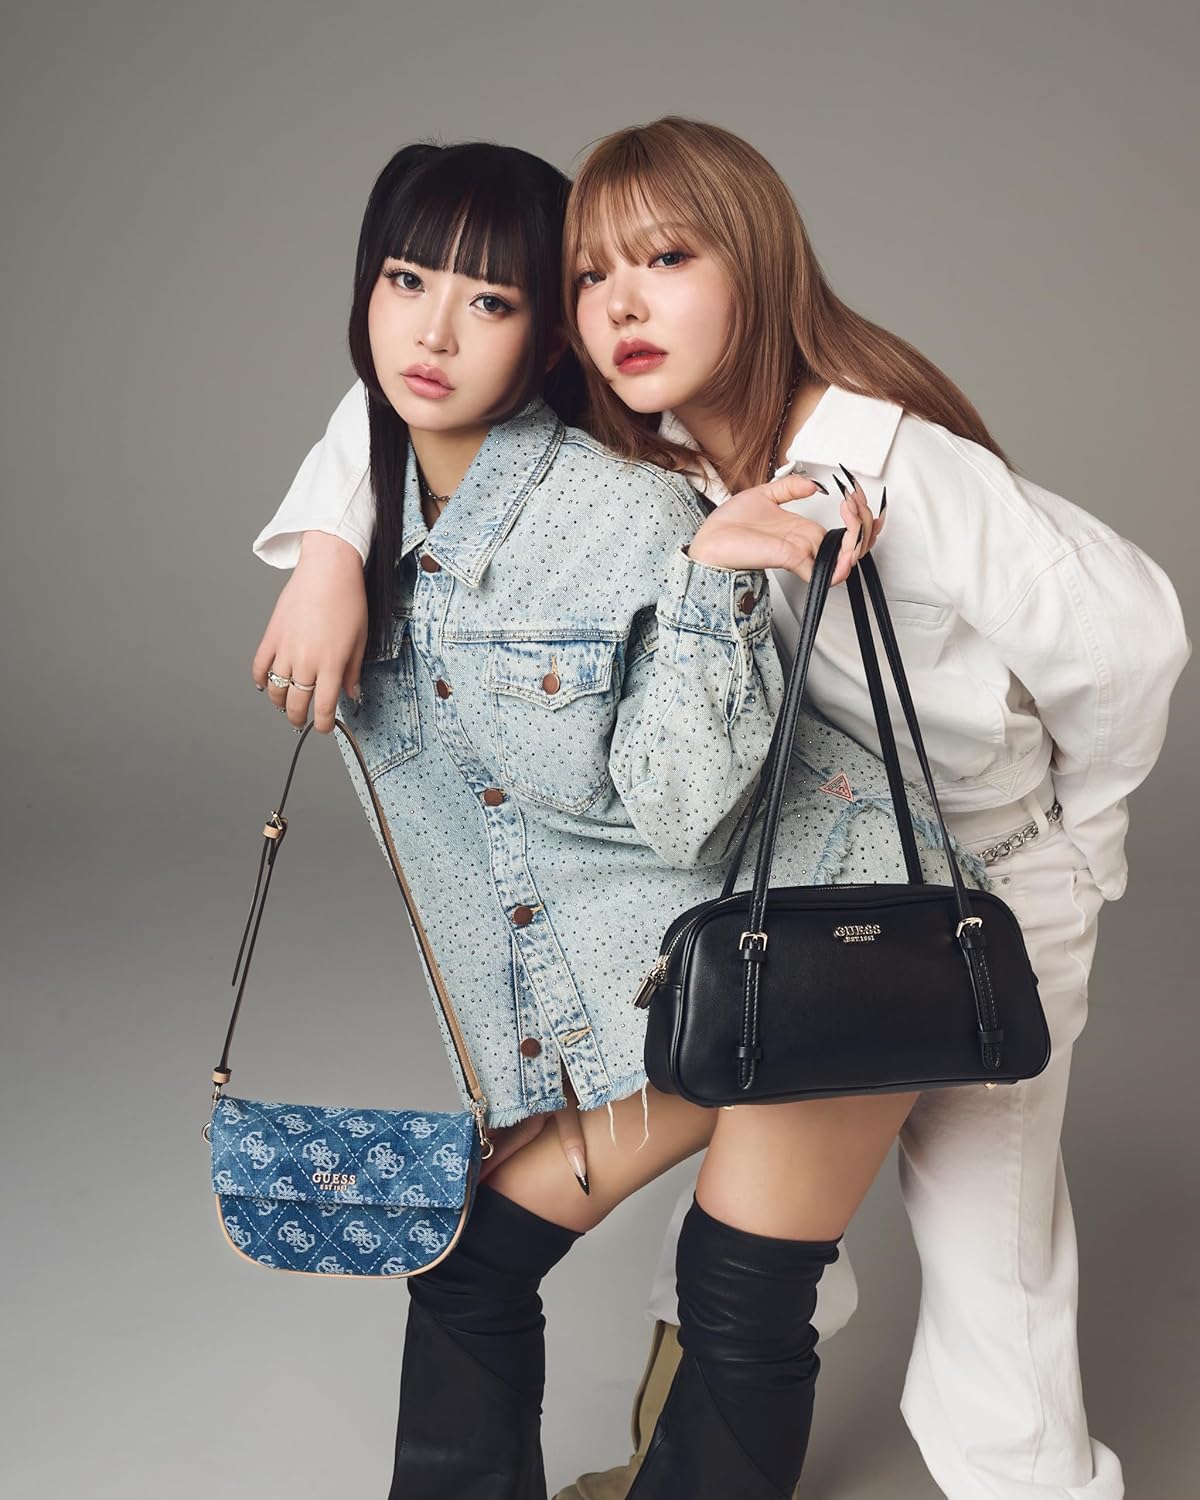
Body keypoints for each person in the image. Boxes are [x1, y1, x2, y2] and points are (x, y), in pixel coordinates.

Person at [256, 118, 1190, 1500]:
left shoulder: (880, 460)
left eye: (669, 261)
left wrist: (1082, 845)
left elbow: (1129, 646)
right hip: (757, 913)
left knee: (977, 1270)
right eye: (591, 278)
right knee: (601, 1252)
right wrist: (330, 546)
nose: (623, 304)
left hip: (969, 885)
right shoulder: (665, 449)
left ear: (754, 267)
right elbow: (409, 381)